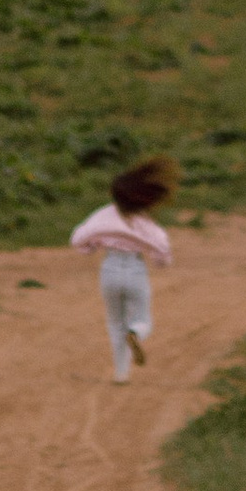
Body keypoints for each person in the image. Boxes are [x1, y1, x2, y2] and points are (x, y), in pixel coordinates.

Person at [69, 158, 176, 381]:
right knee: (143, 319)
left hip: (109, 269)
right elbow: (162, 252)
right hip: (135, 269)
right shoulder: (145, 222)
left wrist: (91, 247)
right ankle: (136, 332)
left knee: (115, 322)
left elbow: (79, 239)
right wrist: (159, 261)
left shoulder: (103, 214)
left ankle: (121, 374)